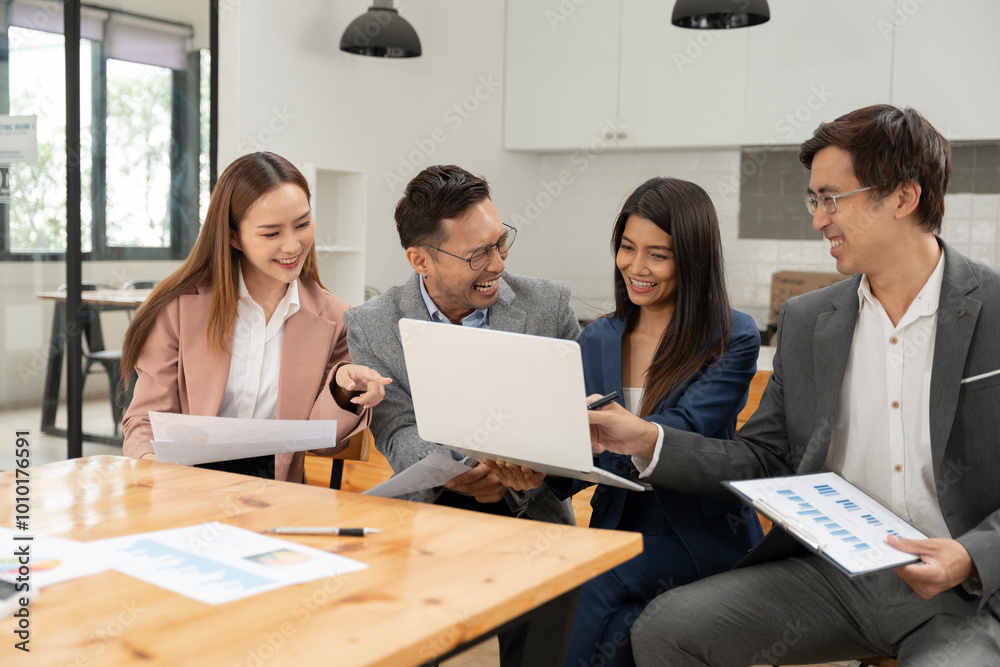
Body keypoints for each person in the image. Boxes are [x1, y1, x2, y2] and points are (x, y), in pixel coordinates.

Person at [586, 105, 1000, 666]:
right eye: (815, 200)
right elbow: (764, 459)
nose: (818, 220)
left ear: (904, 197)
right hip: (827, 579)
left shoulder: (993, 310)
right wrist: (645, 441)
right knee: (668, 629)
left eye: (832, 199)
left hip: (964, 592)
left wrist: (969, 557)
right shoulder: (808, 321)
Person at [486, 177, 764, 667]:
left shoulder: (731, 335)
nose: (636, 267)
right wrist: (537, 473)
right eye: (628, 248)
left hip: (697, 536)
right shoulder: (597, 338)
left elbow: (686, 427)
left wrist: (602, 436)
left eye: (658, 254)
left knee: (594, 579)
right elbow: (577, 451)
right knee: (595, 621)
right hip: (619, 527)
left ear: (693, 260)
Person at [121, 152, 390, 483]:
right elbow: (145, 422)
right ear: (234, 236)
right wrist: (158, 472)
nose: (293, 245)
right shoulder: (178, 309)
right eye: (271, 233)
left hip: (277, 497)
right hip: (184, 487)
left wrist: (341, 386)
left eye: (303, 224)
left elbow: (325, 446)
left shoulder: (335, 318)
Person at [344, 164, 579, 523]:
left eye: (501, 242)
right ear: (420, 260)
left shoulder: (550, 305)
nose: (498, 264)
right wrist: (463, 469)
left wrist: (516, 475)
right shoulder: (372, 324)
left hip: (535, 520)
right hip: (427, 519)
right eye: (478, 254)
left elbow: (579, 421)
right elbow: (397, 432)